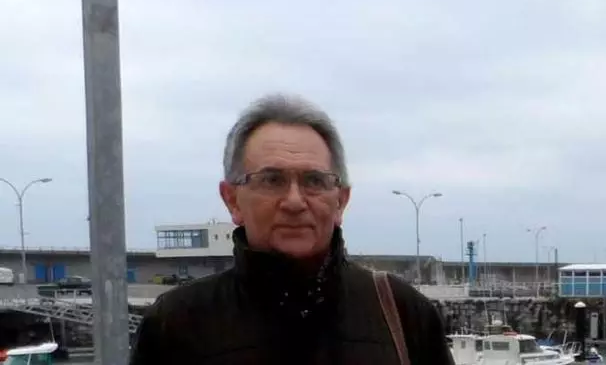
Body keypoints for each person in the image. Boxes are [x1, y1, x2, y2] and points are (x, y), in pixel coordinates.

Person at [130, 93, 454, 365]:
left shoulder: (403, 315)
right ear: (232, 200)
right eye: (272, 180)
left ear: (341, 201)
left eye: (314, 181)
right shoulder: (176, 325)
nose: (295, 201)